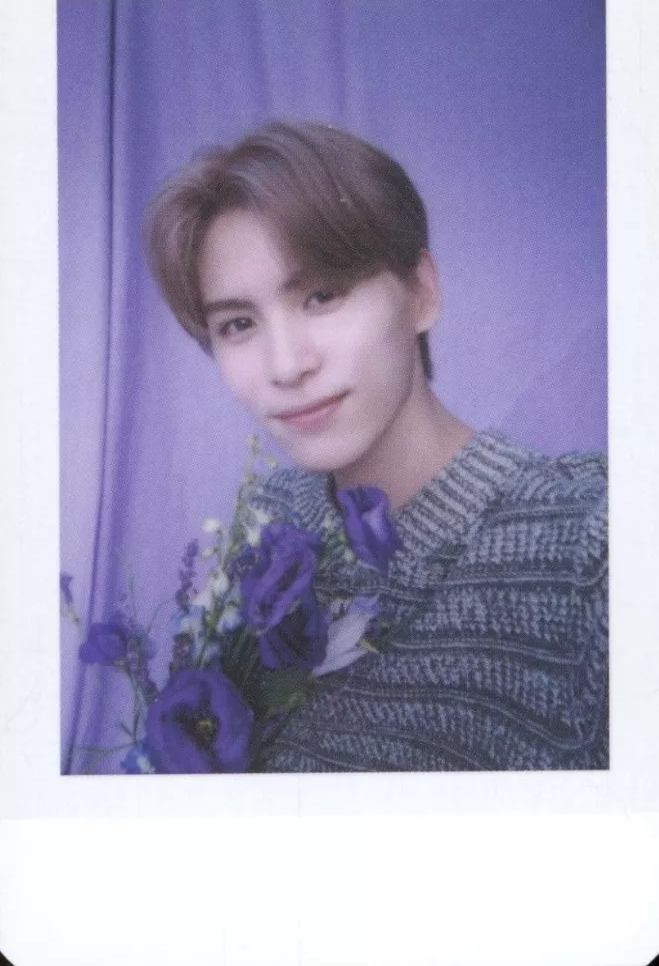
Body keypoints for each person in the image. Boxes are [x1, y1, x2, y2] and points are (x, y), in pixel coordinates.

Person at [145, 121, 608, 772]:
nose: (286, 365)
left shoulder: (590, 549)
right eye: (239, 323)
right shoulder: (269, 521)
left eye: (322, 295)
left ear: (421, 292)